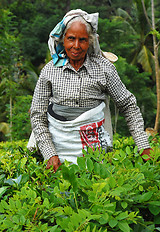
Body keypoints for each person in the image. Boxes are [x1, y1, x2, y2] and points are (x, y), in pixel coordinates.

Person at [30, 9, 153, 172]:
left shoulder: (104, 68)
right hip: (56, 151)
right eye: (71, 39)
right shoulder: (50, 70)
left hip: (95, 154)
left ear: (90, 41)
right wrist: (49, 154)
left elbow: (128, 105)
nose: (76, 46)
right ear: (63, 40)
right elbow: (37, 114)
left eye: (82, 40)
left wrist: (143, 145)